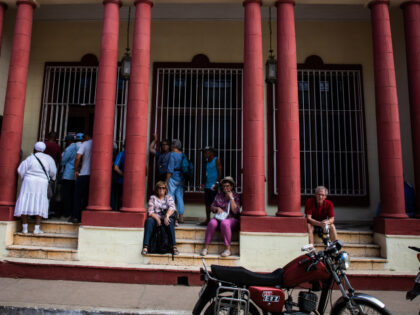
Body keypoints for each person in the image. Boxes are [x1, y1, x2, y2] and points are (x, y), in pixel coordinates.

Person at [14, 142, 57, 234]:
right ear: (44, 149)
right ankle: (36, 229)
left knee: (25, 201)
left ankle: (24, 228)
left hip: (28, 181)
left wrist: (24, 177)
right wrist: (51, 178)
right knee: (40, 202)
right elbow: (53, 172)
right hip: (42, 182)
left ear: (34, 149)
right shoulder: (49, 159)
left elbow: (20, 170)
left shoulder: (29, 158)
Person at [200, 176, 240, 257]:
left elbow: (235, 211)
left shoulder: (236, 196)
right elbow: (212, 207)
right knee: (212, 223)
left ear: (232, 186)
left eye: (227, 186)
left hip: (231, 219)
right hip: (219, 218)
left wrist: (231, 198)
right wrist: (217, 208)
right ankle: (205, 248)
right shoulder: (219, 195)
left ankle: (228, 249)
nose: (225, 188)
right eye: (224, 186)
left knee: (224, 223)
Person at [142, 181, 179, 256]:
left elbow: (172, 208)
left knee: (170, 221)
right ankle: (146, 246)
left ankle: (174, 246)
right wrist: (157, 219)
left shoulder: (168, 197)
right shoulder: (153, 198)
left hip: (165, 217)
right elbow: (150, 211)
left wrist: (167, 216)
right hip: (156, 218)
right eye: (159, 188)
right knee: (149, 221)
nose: (161, 189)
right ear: (156, 189)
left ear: (165, 189)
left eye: (163, 188)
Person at [60, 134, 81, 219]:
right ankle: (72, 213)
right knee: (73, 194)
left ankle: (67, 213)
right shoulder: (78, 147)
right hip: (75, 173)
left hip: (68, 173)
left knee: (66, 195)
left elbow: (63, 161)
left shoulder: (69, 148)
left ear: (69, 141)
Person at [72, 134, 92, 223]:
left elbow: (77, 157)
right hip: (96, 175)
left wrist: (76, 170)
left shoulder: (85, 144)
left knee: (78, 196)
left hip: (84, 173)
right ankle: (87, 217)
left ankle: (76, 217)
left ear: (87, 136)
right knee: (88, 197)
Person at [200, 146, 222, 225]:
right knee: (207, 203)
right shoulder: (207, 162)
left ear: (211, 152)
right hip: (207, 186)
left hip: (214, 186)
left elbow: (220, 173)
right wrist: (203, 184)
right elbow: (206, 174)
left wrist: (217, 183)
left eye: (206, 152)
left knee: (215, 203)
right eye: (204, 152)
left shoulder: (216, 160)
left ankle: (217, 219)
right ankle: (208, 219)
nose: (205, 154)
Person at [166, 139, 185, 224]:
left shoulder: (172, 155)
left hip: (173, 177)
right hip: (181, 178)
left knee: (171, 196)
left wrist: (166, 180)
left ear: (173, 146)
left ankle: (173, 216)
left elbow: (170, 169)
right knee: (180, 197)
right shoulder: (183, 154)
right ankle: (181, 217)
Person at [113, 143, 125, 211]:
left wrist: (123, 175)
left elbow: (115, 167)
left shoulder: (121, 154)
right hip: (123, 181)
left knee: (119, 198)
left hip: (121, 180)